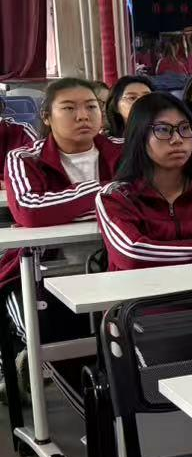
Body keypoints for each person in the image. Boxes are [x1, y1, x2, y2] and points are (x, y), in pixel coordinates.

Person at [95, 92, 192, 270]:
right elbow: (133, 255)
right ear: (139, 136)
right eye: (163, 130)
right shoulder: (116, 196)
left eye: (185, 128)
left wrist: (159, 254)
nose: (177, 139)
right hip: (146, 288)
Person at [3, 78, 121, 298]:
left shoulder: (124, 151)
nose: (83, 116)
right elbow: (30, 210)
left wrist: (57, 211)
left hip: (118, 267)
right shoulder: (25, 158)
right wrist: (106, 190)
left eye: (91, 106)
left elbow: (146, 201)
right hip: (44, 271)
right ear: (46, 117)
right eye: (68, 108)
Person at [106, 74, 153, 138]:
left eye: (147, 97)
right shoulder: (105, 142)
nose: (141, 102)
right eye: (132, 98)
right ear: (116, 107)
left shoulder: (164, 137)